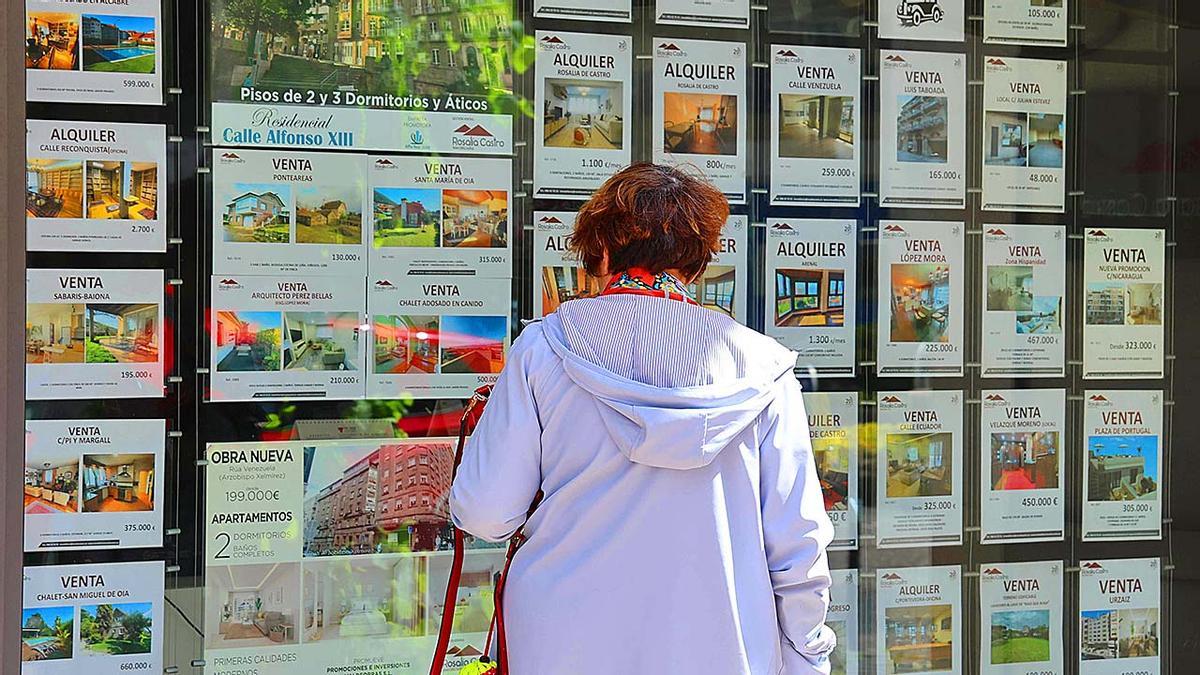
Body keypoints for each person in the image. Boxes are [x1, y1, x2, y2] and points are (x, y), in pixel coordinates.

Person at [450, 163, 836, 674]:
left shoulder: (543, 350)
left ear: (600, 252)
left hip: (561, 645)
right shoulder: (764, 369)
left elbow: (485, 513)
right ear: (697, 267)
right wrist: (807, 658)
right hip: (722, 647)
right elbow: (797, 543)